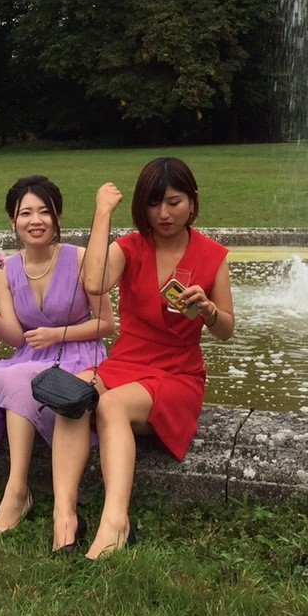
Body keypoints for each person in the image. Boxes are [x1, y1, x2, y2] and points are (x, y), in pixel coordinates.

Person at [51, 157, 235, 560]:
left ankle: (116, 521)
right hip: (126, 363)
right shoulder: (131, 248)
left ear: (193, 201)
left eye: (174, 202)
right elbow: (93, 282)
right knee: (72, 393)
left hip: (177, 374)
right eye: (153, 203)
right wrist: (103, 213)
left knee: (112, 404)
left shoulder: (213, 256)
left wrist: (208, 310)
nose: (163, 213)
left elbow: (226, 330)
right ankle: (64, 516)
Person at [0, 175, 114, 534]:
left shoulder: (81, 258)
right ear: (13, 221)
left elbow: (107, 323)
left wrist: (58, 333)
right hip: (31, 356)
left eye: (44, 212)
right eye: (25, 213)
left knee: (18, 377)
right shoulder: (5, 270)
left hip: (78, 356)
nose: (35, 220)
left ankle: (17, 490)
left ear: (57, 217)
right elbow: (14, 336)